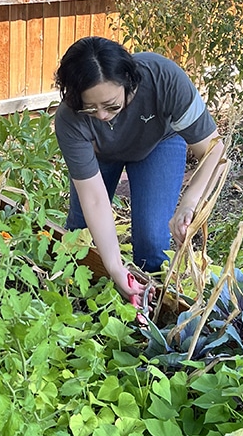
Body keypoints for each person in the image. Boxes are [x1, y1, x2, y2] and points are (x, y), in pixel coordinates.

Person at [55, 36, 226, 309]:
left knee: (152, 240)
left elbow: (214, 152)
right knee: (82, 231)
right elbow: (95, 199)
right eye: (90, 108)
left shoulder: (164, 79)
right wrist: (114, 267)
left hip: (158, 144)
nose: (102, 116)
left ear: (129, 83)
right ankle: (81, 301)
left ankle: (150, 306)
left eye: (111, 105)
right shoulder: (68, 119)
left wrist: (190, 203)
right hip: (100, 154)